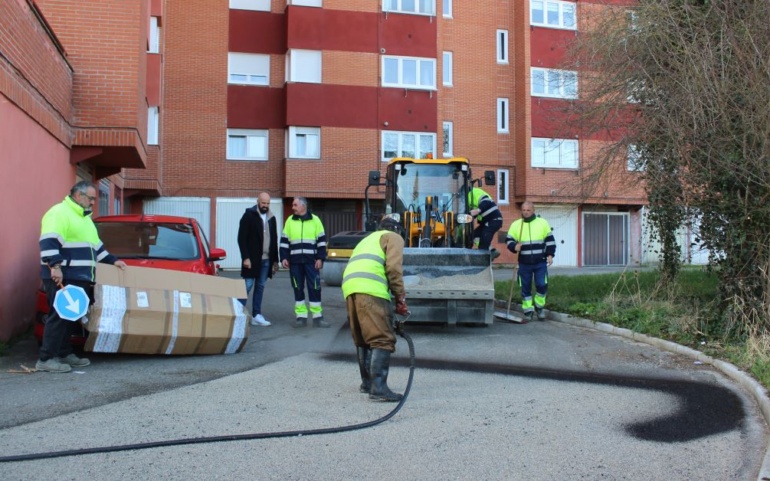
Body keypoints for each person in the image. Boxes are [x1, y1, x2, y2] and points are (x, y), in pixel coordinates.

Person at [37, 181, 127, 373]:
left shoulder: (85, 218)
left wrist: (113, 261)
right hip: (63, 276)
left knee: (70, 316)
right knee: (58, 316)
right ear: (79, 196)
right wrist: (55, 267)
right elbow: (48, 242)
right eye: (91, 198)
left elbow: (97, 247)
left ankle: (63, 353)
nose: (94, 202)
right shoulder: (59, 213)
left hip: (80, 277)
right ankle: (46, 358)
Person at [341, 215, 409, 402]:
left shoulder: (367, 239)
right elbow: (394, 269)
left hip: (350, 288)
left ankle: (367, 383)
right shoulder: (393, 237)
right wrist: (400, 298)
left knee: (363, 339)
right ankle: (378, 388)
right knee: (381, 339)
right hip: (371, 289)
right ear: (396, 230)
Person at [280, 197, 329, 328]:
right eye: (292, 205)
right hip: (295, 262)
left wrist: (320, 258)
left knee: (315, 287)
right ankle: (301, 317)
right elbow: (284, 241)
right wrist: (284, 257)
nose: (293, 207)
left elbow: (322, 241)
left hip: (311, 262)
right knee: (298, 288)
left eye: (295, 205)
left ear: (303, 206)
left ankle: (317, 317)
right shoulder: (290, 221)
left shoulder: (315, 220)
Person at [505, 201, 556, 322]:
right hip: (524, 262)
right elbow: (509, 240)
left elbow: (550, 240)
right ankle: (528, 311)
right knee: (525, 287)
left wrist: (550, 254)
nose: (526, 212)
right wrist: (514, 246)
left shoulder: (542, 223)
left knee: (541, 285)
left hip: (540, 262)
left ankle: (539, 307)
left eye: (528, 210)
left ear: (533, 210)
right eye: (524, 210)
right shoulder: (517, 225)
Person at [237, 192, 279, 327]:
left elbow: (274, 240)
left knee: (260, 286)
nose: (265, 206)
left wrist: (275, 261)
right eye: (263, 203)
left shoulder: (272, 218)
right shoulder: (249, 215)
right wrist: (245, 257)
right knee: (247, 286)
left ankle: (256, 315)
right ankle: (237, 313)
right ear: (258, 201)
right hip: (252, 260)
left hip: (266, 260)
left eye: (267, 203)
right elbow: (241, 238)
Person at [467, 186, 503, 260]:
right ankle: (492, 251)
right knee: (472, 236)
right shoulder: (467, 198)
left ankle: (485, 256)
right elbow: (472, 212)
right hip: (486, 222)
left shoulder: (475, 192)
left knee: (483, 244)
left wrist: (478, 210)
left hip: (493, 220)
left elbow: (486, 201)